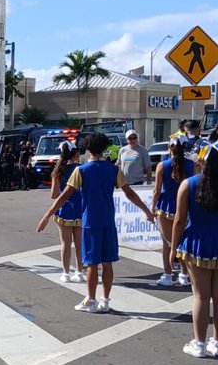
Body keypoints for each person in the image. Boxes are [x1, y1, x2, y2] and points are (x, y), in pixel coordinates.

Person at [36, 132, 154, 313]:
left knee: (91, 263)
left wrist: (46, 216)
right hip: (108, 221)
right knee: (108, 263)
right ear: (105, 148)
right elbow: (129, 193)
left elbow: (64, 196)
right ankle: (105, 301)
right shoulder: (113, 170)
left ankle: (91, 300)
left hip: (90, 221)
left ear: (87, 149)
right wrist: (146, 211)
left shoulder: (81, 170)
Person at [171, 140, 218, 357]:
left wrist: (173, 248)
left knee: (201, 296)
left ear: (199, 160)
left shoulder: (188, 184)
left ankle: (200, 344)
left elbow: (179, 219)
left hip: (197, 241)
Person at [151, 139, 194, 286]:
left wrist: (152, 207)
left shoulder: (162, 165)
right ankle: (184, 275)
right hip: (185, 206)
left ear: (169, 147)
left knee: (167, 244)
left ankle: (168, 275)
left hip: (166, 207)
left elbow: (157, 190)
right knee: (183, 242)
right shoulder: (191, 164)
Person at [49, 143, 83, 282]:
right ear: (75, 154)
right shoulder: (81, 169)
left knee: (65, 243)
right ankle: (79, 272)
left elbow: (53, 195)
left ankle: (66, 273)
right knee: (80, 244)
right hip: (80, 208)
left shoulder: (58, 171)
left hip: (64, 209)